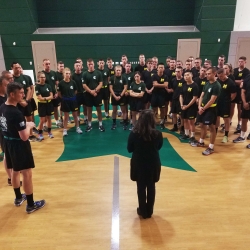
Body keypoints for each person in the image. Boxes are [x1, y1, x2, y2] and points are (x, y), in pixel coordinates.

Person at [0, 82, 45, 213]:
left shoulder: (2, 107)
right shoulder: (16, 113)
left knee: (15, 170)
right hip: (19, 146)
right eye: (20, 93)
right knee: (27, 174)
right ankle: (31, 205)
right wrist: (29, 125)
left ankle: (18, 197)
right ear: (12, 94)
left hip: (8, 143)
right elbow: (24, 137)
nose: (23, 94)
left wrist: (23, 124)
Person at [127, 109, 163, 219]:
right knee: (151, 186)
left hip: (139, 163)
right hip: (153, 163)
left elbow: (129, 149)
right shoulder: (158, 134)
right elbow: (159, 147)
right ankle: (150, 210)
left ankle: (142, 211)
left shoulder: (134, 133)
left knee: (141, 187)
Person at [191, 67, 221, 156]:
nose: (206, 75)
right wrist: (200, 106)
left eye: (209, 74)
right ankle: (201, 142)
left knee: (211, 127)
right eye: (206, 73)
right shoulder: (207, 83)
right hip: (202, 108)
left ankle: (211, 147)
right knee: (201, 125)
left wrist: (203, 109)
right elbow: (202, 95)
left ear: (214, 73)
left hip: (211, 109)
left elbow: (212, 100)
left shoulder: (217, 86)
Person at [12, 62, 39, 142]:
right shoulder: (12, 79)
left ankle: (30, 135)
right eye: (16, 68)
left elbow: (29, 89)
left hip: (27, 101)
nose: (18, 69)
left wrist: (27, 100)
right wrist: (21, 101)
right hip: (18, 103)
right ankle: (21, 134)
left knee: (29, 118)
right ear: (12, 68)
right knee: (20, 119)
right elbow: (13, 93)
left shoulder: (25, 78)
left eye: (19, 67)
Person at [57, 68, 82, 136]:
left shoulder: (73, 82)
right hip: (65, 101)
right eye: (66, 73)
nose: (68, 75)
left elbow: (75, 91)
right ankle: (65, 130)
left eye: (69, 73)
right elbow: (59, 93)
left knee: (75, 115)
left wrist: (71, 97)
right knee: (66, 116)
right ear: (63, 74)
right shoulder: (61, 83)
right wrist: (65, 98)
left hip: (73, 101)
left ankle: (77, 128)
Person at [82, 58, 105, 132]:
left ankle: (100, 124)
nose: (90, 66)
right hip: (88, 95)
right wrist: (90, 91)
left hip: (97, 94)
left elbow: (101, 84)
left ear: (94, 64)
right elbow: (84, 85)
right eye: (89, 64)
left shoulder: (98, 73)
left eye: (91, 64)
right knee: (89, 110)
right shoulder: (85, 74)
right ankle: (89, 125)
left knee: (99, 110)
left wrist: (94, 91)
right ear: (87, 65)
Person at [216, 68, 236, 143]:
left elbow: (233, 94)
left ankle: (226, 136)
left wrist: (227, 101)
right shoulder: (217, 81)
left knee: (226, 120)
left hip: (225, 104)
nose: (220, 78)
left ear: (225, 74)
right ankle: (214, 132)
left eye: (221, 76)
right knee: (216, 118)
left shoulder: (230, 83)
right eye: (218, 76)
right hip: (217, 103)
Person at [232, 56, 250, 134]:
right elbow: (232, 81)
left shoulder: (247, 72)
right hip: (235, 91)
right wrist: (238, 81)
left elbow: (242, 83)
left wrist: (235, 81)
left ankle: (239, 123)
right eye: (239, 61)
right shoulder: (235, 70)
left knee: (239, 109)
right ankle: (230, 121)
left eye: (242, 61)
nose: (240, 63)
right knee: (231, 107)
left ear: (245, 62)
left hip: (242, 93)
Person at [179, 71, 198, 142]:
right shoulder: (184, 85)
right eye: (185, 75)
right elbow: (181, 95)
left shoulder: (195, 86)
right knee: (185, 120)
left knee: (191, 122)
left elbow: (195, 98)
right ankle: (186, 134)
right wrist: (181, 105)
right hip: (184, 106)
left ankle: (192, 136)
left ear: (191, 75)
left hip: (191, 107)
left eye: (188, 75)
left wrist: (187, 106)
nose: (186, 77)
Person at [35, 72, 55, 140]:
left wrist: (45, 98)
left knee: (49, 119)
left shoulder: (48, 86)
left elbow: (52, 96)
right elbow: (39, 97)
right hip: (41, 105)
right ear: (38, 78)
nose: (43, 79)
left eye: (44, 77)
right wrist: (47, 98)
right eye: (41, 77)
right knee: (42, 120)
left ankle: (49, 132)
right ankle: (40, 133)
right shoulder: (37, 87)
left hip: (49, 104)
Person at [42, 59, 61, 128]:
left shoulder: (54, 73)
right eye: (46, 64)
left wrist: (56, 92)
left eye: (49, 64)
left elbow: (57, 84)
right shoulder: (41, 74)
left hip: (54, 95)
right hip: (46, 96)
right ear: (43, 65)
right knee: (46, 111)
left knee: (56, 108)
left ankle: (57, 122)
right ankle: (45, 125)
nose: (48, 65)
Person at [233, 73, 250, 145]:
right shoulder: (248, 76)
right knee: (244, 120)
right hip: (246, 103)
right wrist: (245, 102)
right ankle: (242, 136)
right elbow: (243, 91)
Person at [109, 65, 128, 130]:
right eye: (117, 70)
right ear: (115, 71)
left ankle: (125, 123)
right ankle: (114, 123)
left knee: (124, 111)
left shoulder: (124, 78)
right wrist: (114, 96)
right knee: (114, 110)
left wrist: (120, 96)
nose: (118, 71)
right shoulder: (112, 78)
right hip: (114, 95)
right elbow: (110, 88)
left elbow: (125, 88)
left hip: (121, 95)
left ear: (121, 71)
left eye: (119, 70)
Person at [151, 63, 168, 129]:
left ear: (164, 69)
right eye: (159, 67)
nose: (161, 69)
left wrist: (158, 84)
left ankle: (162, 122)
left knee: (162, 109)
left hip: (162, 95)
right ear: (157, 68)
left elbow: (166, 85)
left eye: (162, 67)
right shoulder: (154, 76)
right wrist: (162, 85)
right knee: (153, 109)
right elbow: (155, 85)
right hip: (155, 94)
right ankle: (153, 122)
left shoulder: (165, 76)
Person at [168, 66, 185, 133]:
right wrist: (168, 90)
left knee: (181, 115)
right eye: (176, 71)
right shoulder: (173, 80)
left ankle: (182, 128)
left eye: (178, 71)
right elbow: (172, 89)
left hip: (181, 100)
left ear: (182, 72)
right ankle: (175, 126)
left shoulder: (184, 81)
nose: (177, 73)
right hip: (174, 99)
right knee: (174, 114)